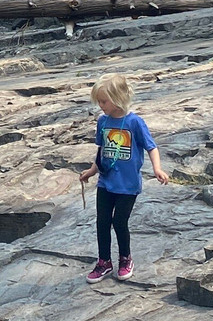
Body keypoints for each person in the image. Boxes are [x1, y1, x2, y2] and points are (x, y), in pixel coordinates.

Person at [79, 73, 169, 284]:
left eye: (103, 101)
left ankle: (125, 259)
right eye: (98, 101)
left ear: (118, 98)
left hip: (127, 185)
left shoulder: (134, 122)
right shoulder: (103, 122)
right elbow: (102, 150)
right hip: (106, 182)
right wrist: (92, 171)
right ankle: (104, 261)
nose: (100, 105)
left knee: (119, 222)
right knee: (102, 222)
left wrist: (157, 169)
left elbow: (151, 146)